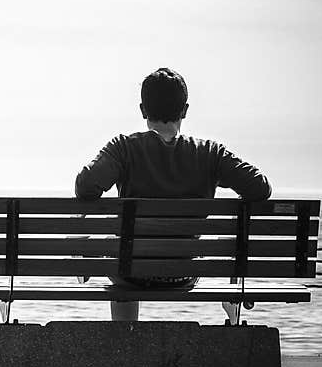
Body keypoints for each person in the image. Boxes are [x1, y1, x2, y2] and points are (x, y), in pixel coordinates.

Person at [74, 67, 271, 322]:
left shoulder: (123, 148)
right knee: (122, 254)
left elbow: (85, 186)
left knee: (117, 253)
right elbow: (259, 188)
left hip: (130, 272)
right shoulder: (210, 153)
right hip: (184, 271)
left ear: (143, 109)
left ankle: (125, 335)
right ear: (185, 111)